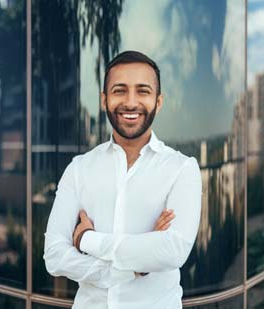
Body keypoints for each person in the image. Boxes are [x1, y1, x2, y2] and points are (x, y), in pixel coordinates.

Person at [43, 50, 202, 309]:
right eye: (119, 90)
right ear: (104, 100)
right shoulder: (79, 168)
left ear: (158, 102)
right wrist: (133, 267)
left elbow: (173, 251)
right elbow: (55, 256)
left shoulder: (182, 169)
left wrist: (86, 240)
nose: (130, 102)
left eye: (142, 91)